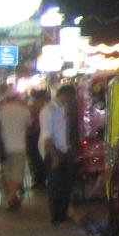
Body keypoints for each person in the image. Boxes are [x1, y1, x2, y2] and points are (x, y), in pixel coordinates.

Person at [41, 83, 79, 225]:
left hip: (65, 150)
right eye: (72, 97)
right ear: (66, 95)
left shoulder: (64, 109)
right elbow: (47, 136)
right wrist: (54, 156)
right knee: (55, 186)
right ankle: (56, 216)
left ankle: (63, 214)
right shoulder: (48, 110)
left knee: (66, 185)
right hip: (54, 151)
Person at [0, 87, 33, 210]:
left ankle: (13, 198)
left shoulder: (0, 110)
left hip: (3, 147)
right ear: (17, 97)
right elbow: (29, 125)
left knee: (7, 174)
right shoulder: (24, 110)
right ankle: (11, 198)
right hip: (19, 146)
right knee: (17, 174)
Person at [26, 89, 49, 189]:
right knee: (39, 157)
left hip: (34, 135)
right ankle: (40, 178)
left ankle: (38, 179)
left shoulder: (32, 107)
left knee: (35, 157)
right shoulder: (46, 107)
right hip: (39, 134)